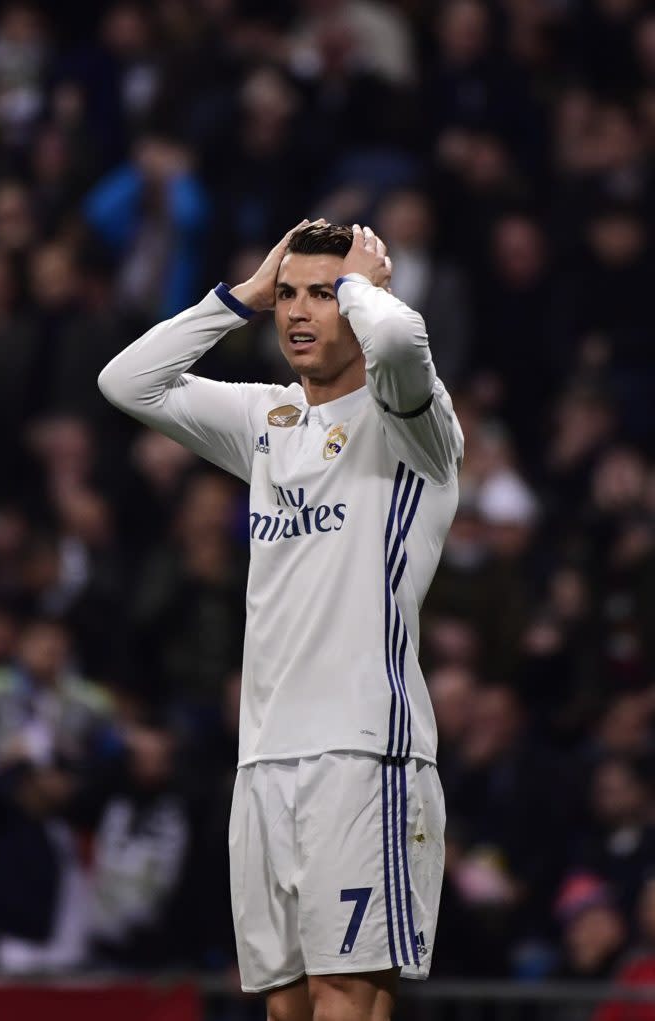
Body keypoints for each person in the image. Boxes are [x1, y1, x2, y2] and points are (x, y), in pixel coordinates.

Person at [99, 220, 464, 1021]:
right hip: (263, 756)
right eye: (289, 296)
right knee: (285, 1003)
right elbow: (128, 382)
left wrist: (368, 287)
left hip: (365, 752)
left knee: (347, 997)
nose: (298, 313)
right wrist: (240, 297)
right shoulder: (269, 421)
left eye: (323, 296)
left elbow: (401, 342)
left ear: (364, 301)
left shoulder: (412, 421)